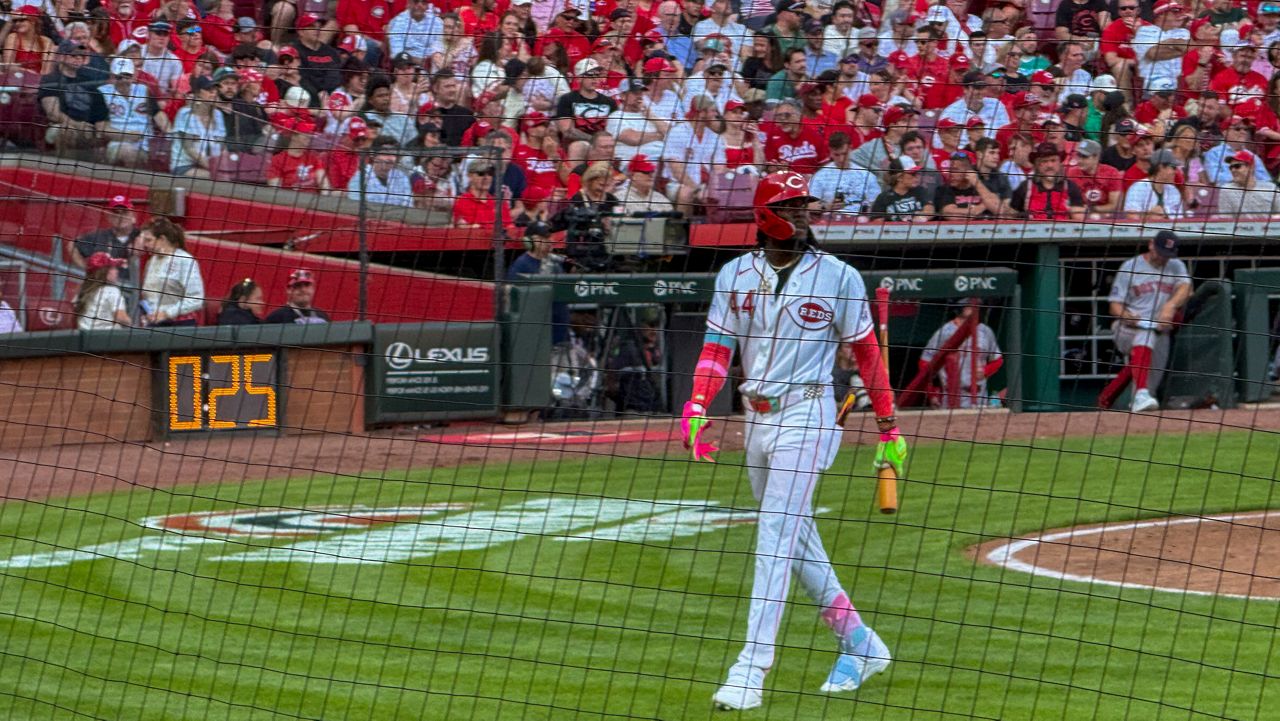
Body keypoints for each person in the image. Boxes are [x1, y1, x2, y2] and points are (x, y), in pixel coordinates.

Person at [679, 170, 902, 711]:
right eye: (794, 206)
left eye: (807, 206)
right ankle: (859, 643)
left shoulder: (839, 276)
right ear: (767, 215)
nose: (804, 215)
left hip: (809, 411)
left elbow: (868, 354)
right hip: (755, 419)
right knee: (795, 535)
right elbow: (716, 350)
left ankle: (750, 670)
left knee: (775, 535)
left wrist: (889, 427)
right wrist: (698, 403)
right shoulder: (735, 274)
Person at [1100, 230, 1193, 413]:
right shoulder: (1130, 266)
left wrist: (1171, 306)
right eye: (1160, 252)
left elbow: (1186, 288)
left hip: (1160, 329)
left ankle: (1107, 399)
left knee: (1148, 393)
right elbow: (1115, 306)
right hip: (1128, 328)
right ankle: (1140, 393)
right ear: (1151, 244)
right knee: (1145, 335)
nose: (1163, 258)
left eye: (1167, 255)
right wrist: (1127, 315)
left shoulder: (1175, 265)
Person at [919, 299, 1004, 409]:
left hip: (979, 394)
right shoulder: (945, 331)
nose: (972, 308)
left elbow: (997, 360)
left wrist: (985, 371)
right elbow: (924, 363)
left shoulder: (985, 331)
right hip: (951, 395)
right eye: (968, 305)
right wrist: (932, 393)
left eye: (975, 306)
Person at [506, 220, 569, 345]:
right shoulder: (521, 265)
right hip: (536, 339)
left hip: (560, 336)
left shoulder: (555, 263)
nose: (549, 241)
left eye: (549, 237)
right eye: (543, 238)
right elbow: (512, 301)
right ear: (530, 241)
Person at [139, 217, 205, 327]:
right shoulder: (151, 262)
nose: (145, 245)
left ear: (162, 239)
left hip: (180, 325)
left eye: (148, 240)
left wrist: (167, 313)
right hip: (154, 324)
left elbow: (196, 299)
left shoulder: (185, 260)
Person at [69, 194, 141, 284]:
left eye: (125, 212)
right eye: (116, 213)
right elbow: (72, 245)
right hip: (101, 287)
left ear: (133, 215)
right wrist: (86, 269)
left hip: (132, 291)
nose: (120, 216)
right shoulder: (99, 236)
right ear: (109, 217)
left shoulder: (141, 235)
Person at [1010, 142, 1086, 220]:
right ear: (1037, 165)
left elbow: (1079, 220)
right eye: (1044, 161)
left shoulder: (1070, 187)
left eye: (1053, 160)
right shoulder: (1025, 187)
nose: (1049, 165)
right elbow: (1010, 216)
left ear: (1059, 163)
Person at [74, 252, 132, 330]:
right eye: (113, 268)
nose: (117, 271)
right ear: (104, 272)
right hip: (105, 338)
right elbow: (121, 318)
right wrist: (131, 322)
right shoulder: (112, 291)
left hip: (84, 337)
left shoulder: (84, 289)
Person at [1067, 139, 1123, 218]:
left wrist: (1091, 209)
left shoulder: (1112, 173)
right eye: (1078, 156)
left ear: (1096, 157)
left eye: (1084, 157)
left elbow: (1113, 206)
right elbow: (1067, 203)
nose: (1080, 160)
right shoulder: (1071, 173)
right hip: (1078, 216)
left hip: (1106, 218)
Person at [1216, 149, 1280, 219]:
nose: (1233, 170)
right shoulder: (1226, 191)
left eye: (1237, 166)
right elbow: (1225, 221)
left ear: (1251, 167)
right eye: (1230, 167)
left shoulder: (1271, 188)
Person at [1123, 148, 1184, 220]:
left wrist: (1165, 214)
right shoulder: (1138, 188)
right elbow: (1131, 217)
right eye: (1173, 168)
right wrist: (1149, 216)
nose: (1176, 172)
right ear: (1161, 167)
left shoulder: (1173, 190)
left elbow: (1179, 219)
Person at [870, 156, 934, 222]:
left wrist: (922, 217)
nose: (917, 176)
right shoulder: (883, 197)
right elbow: (877, 221)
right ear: (899, 177)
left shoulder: (920, 190)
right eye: (913, 174)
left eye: (917, 173)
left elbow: (929, 209)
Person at [265, 269, 330, 325]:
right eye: (298, 286)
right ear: (288, 290)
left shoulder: (322, 316)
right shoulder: (276, 318)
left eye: (307, 285)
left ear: (313, 289)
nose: (303, 290)